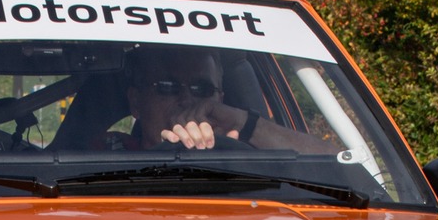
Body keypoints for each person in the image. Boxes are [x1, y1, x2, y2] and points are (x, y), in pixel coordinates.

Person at [122, 45, 337, 155]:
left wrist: (244, 124)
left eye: (202, 89)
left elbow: (340, 164)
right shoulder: (105, 156)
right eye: (167, 87)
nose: (187, 100)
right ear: (136, 102)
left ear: (220, 99)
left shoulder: (254, 160)